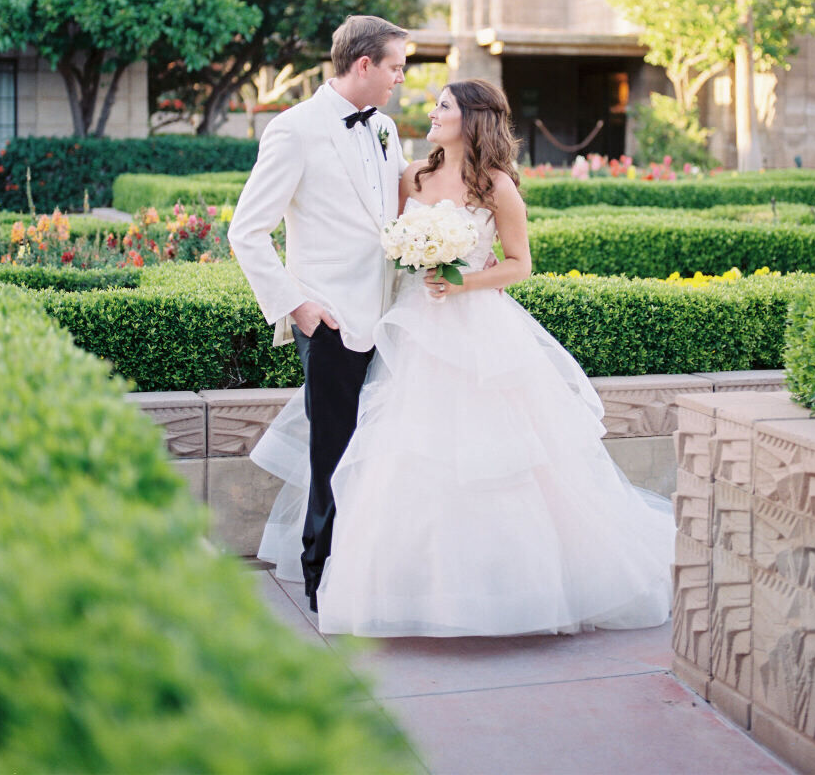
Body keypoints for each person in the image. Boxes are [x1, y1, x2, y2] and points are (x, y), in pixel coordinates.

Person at [249, 78, 675, 637]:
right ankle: (398, 582)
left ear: (471, 119)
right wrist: (409, 258)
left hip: (476, 329)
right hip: (408, 325)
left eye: (443, 105)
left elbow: (520, 264)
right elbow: (385, 241)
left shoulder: (497, 186)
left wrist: (463, 280)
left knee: (490, 453)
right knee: (400, 448)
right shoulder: (414, 176)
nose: (432, 111)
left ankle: (502, 582)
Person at [228, 14, 409, 613]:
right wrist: (298, 306)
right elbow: (246, 232)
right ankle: (320, 573)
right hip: (329, 319)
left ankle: (369, 567)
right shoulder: (294, 130)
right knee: (332, 447)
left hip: (390, 316)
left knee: (378, 448)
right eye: (395, 68)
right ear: (364, 65)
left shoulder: (385, 128)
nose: (399, 81)